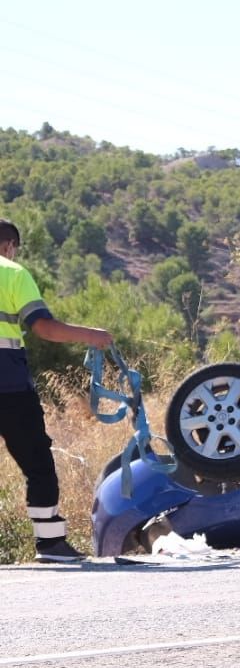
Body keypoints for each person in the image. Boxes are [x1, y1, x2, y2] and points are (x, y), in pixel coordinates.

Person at [0, 219, 114, 561]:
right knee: (37, 462)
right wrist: (93, 336)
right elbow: (44, 328)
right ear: (9, 246)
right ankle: (50, 544)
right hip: (8, 387)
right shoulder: (12, 273)